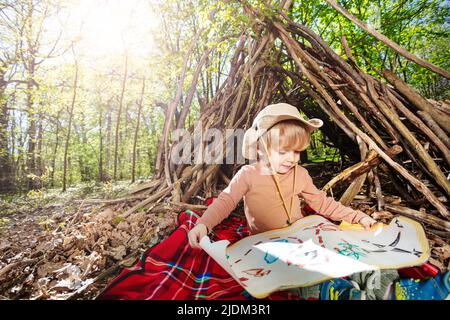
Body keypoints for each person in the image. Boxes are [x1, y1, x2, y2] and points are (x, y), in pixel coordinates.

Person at [188, 102, 377, 249]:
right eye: (283, 151)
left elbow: (323, 203)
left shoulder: (300, 174)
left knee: (338, 250)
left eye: (297, 152)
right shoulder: (248, 174)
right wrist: (204, 225)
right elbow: (225, 201)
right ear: (261, 149)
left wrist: (358, 217)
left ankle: (366, 281)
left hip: (298, 237)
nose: (292, 159)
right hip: (264, 243)